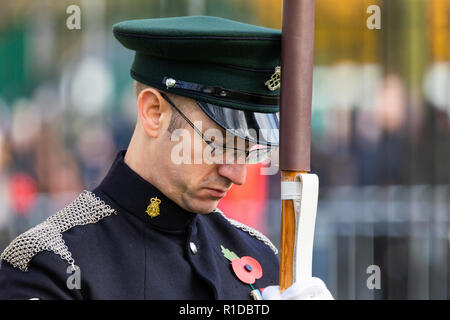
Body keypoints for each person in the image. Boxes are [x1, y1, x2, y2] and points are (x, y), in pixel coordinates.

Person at [0, 16, 332, 300]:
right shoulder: (50, 264)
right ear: (153, 112)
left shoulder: (259, 252)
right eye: (218, 143)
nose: (237, 174)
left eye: (248, 150)